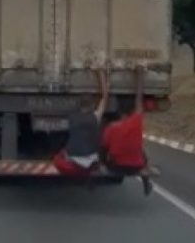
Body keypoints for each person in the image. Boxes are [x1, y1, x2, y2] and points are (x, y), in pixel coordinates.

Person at [101, 65, 153, 195]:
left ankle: (91, 177)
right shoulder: (136, 121)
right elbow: (139, 99)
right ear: (130, 112)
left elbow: (104, 145)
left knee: (104, 149)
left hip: (115, 167)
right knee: (142, 153)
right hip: (137, 167)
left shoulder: (112, 127)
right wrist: (140, 75)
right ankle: (146, 181)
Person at [52, 69, 110, 177]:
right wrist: (101, 76)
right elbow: (105, 98)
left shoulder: (72, 117)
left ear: (79, 105)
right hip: (92, 159)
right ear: (92, 106)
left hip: (73, 159)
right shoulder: (95, 117)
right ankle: (90, 172)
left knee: (57, 158)